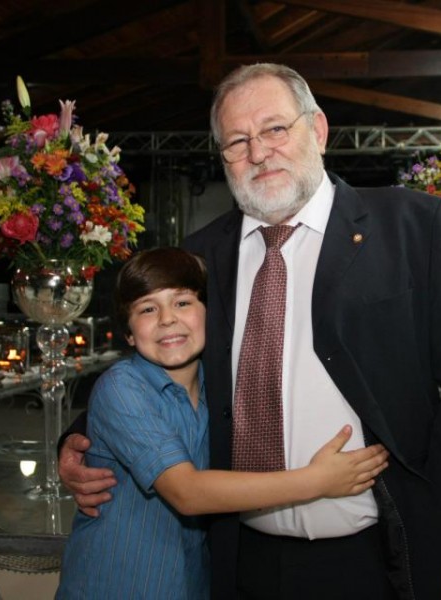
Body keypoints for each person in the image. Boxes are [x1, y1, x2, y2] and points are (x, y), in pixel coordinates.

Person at [60, 63, 441, 600]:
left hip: (378, 552)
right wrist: (80, 439)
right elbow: (159, 355)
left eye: (274, 129)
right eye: (237, 141)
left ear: (317, 129)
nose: (259, 152)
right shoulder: (202, 253)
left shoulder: (413, 226)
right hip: (238, 556)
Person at [56, 247, 389, 599]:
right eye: (147, 309)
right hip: (115, 586)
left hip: (187, 586)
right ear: (128, 332)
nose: (167, 319)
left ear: (209, 314)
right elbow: (186, 492)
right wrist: (318, 480)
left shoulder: (220, 386)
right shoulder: (123, 387)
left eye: (182, 302)